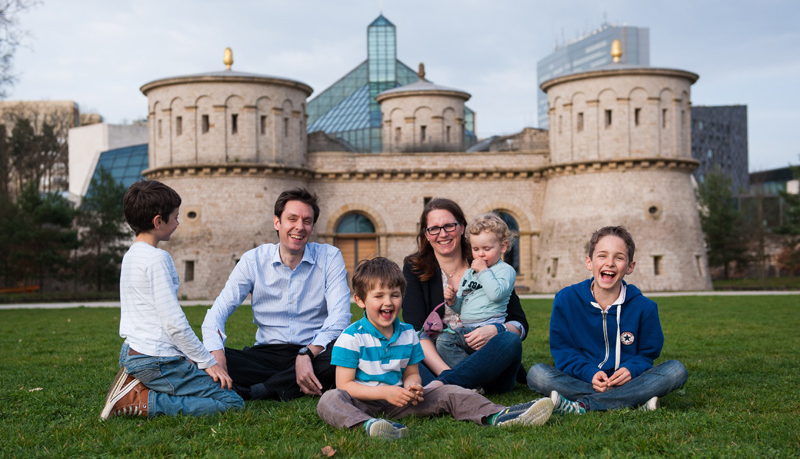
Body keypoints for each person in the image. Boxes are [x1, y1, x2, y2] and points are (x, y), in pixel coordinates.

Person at [316, 257, 553, 439]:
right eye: (378, 296)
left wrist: (413, 386)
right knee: (330, 399)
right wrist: (386, 393)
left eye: (394, 295)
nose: (388, 302)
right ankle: (368, 425)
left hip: (402, 402)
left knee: (450, 391)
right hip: (364, 402)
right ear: (360, 300)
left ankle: (499, 415)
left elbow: (410, 372)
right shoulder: (350, 337)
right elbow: (345, 385)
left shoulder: (408, 333)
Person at [100, 180, 244, 419]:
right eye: (176, 217)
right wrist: (207, 362)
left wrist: (185, 356)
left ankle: (137, 383)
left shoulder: (131, 254)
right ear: (158, 221)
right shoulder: (158, 259)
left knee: (209, 388)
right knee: (230, 401)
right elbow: (173, 322)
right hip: (155, 360)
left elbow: (149, 316)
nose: (178, 222)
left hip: (133, 352)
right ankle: (139, 399)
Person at [201, 188, 352, 402]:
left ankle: (258, 390)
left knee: (346, 355)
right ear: (277, 223)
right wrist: (216, 353)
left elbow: (340, 318)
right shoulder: (253, 260)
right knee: (203, 356)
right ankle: (291, 383)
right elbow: (217, 313)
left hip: (316, 352)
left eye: (307, 221)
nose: (300, 227)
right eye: (292, 219)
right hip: (266, 355)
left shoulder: (329, 256)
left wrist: (306, 354)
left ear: (312, 227)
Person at [526, 226, 688, 414]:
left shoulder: (645, 307)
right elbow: (564, 351)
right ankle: (633, 400)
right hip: (584, 379)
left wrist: (631, 369)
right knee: (537, 374)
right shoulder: (566, 299)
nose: (609, 263)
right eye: (602, 256)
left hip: (630, 380)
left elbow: (647, 354)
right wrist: (590, 373)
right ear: (589, 262)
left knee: (676, 370)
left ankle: (582, 405)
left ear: (630, 267)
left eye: (619, 258)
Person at [402, 198, 529, 394]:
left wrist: (496, 330)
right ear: (426, 234)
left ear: (462, 228)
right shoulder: (414, 267)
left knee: (510, 341)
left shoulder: (487, 260)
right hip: (441, 359)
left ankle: (448, 387)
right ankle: (459, 383)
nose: (442, 234)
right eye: (434, 229)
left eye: (449, 226)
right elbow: (417, 330)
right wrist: (451, 373)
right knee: (404, 357)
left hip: (489, 359)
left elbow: (519, 322)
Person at [438, 212, 517, 368]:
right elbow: (460, 307)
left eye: (486, 248)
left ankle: (470, 376)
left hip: (490, 328)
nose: (480, 254)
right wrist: (453, 300)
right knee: (443, 341)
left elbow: (496, 294)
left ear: (503, 246)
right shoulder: (470, 272)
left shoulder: (505, 270)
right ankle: (473, 376)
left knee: (447, 341)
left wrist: (483, 272)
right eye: (476, 248)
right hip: (467, 329)